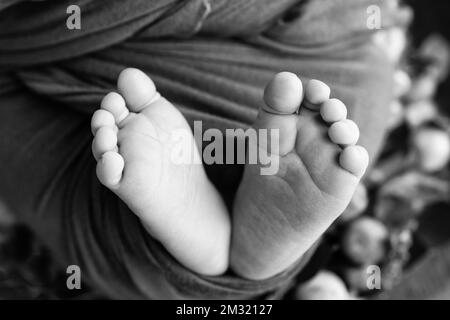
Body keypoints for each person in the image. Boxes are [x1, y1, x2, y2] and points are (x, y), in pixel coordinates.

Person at [0, 0, 409, 298]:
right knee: (94, 203)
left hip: (312, 78)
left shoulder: (371, 49)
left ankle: (217, 252)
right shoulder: (369, 63)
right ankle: (226, 269)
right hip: (321, 92)